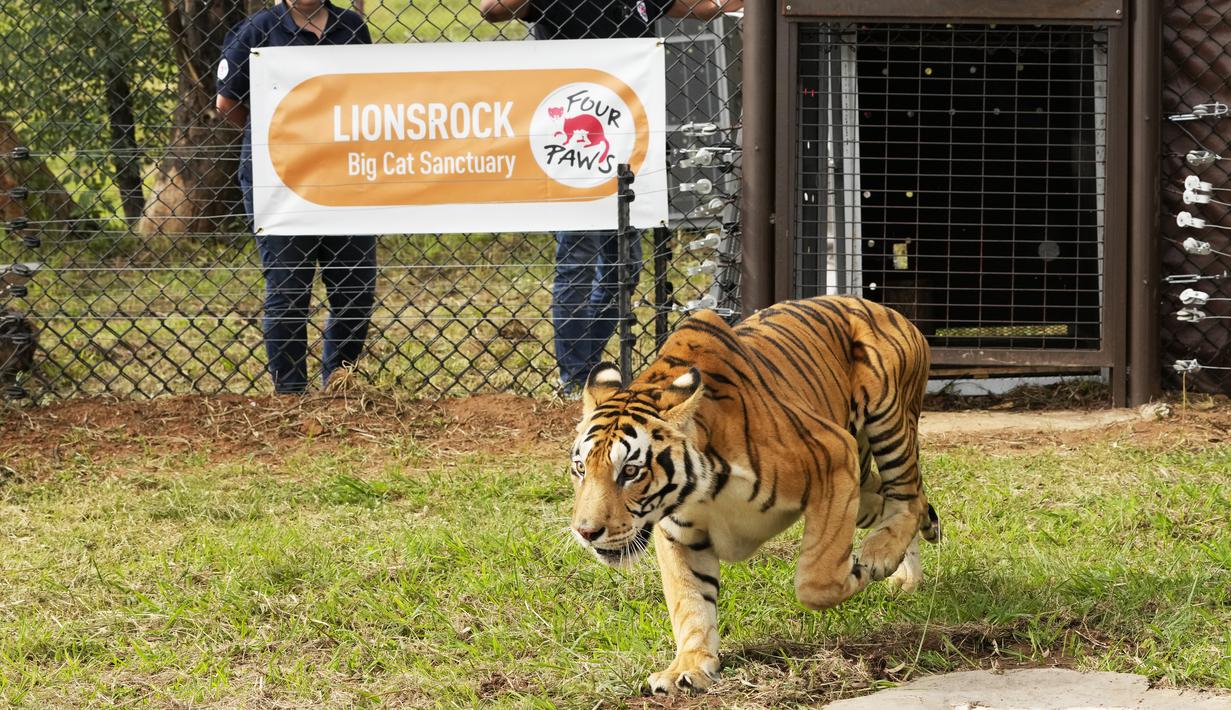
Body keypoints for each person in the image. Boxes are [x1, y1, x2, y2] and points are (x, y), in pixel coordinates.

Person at [480, 0, 741, 396]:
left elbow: (703, 9)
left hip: (624, 135)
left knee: (625, 265)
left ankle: (589, 369)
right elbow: (493, 10)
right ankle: (575, 379)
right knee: (578, 254)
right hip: (567, 140)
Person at [215, 0, 376, 394]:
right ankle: (290, 394)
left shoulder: (352, 26)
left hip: (345, 176)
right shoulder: (256, 30)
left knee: (354, 291)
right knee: (288, 291)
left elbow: (371, 93)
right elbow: (228, 104)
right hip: (280, 181)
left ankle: (339, 387)